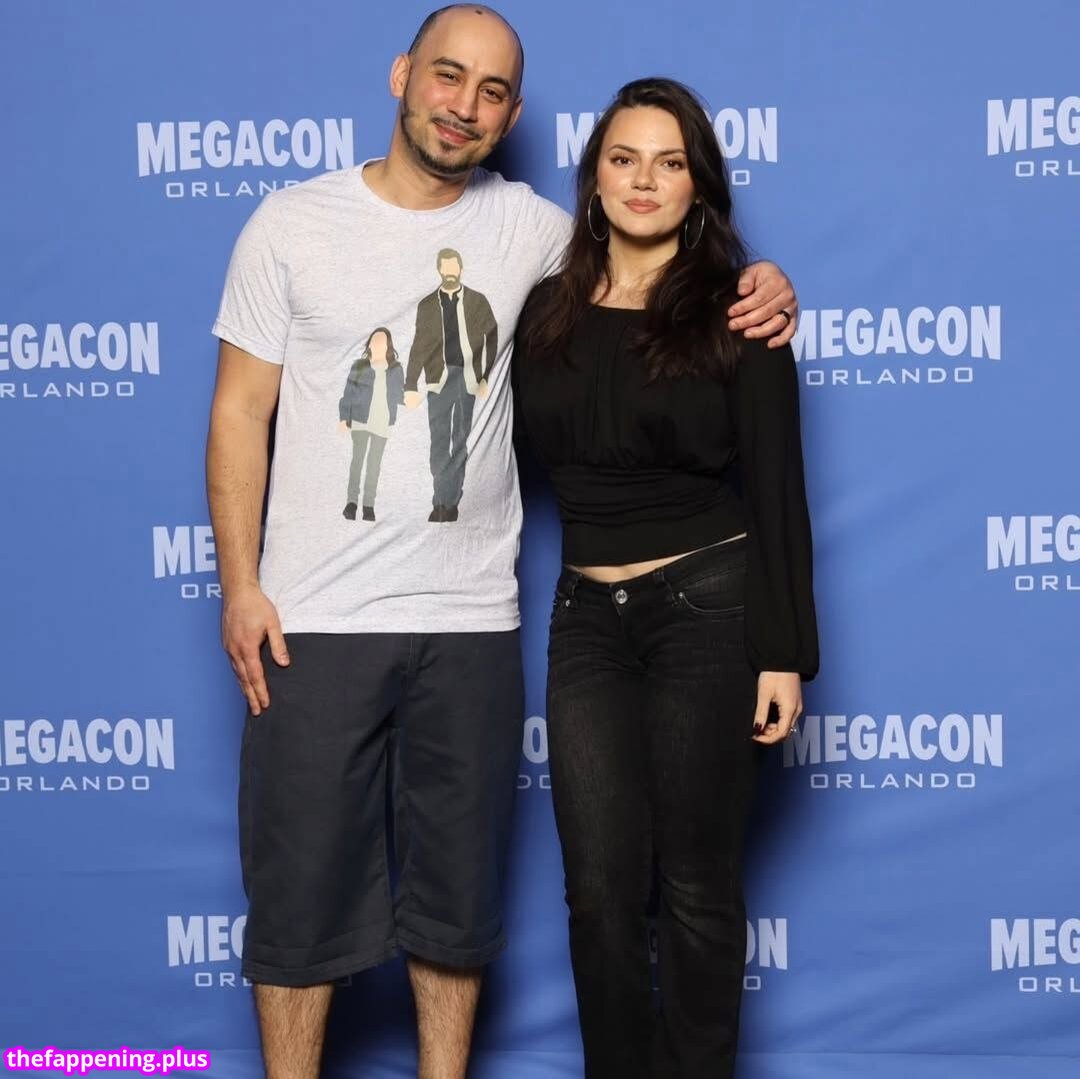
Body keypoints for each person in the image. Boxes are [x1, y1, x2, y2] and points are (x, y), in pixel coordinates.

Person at [205, 5, 798, 1076]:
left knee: (474, 900)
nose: (463, 106)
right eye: (447, 76)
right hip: (336, 615)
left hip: (494, 619)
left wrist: (762, 281)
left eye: (491, 91)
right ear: (402, 74)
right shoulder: (305, 225)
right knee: (318, 896)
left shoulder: (541, 234)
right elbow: (241, 409)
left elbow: (679, 301)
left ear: (513, 115)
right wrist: (239, 583)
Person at [513, 77, 819, 1078]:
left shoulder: (741, 310)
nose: (645, 180)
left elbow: (777, 484)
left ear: (699, 186)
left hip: (709, 611)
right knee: (599, 893)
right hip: (584, 620)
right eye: (624, 158)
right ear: (594, 179)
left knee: (695, 884)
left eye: (670, 162)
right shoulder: (542, 312)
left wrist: (784, 652)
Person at [339, 326, 405, 521]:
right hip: (360, 420)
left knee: (374, 466)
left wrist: (410, 397)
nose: (377, 343)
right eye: (374, 340)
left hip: (382, 423)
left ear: (388, 345)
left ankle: (368, 506)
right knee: (357, 462)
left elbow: (399, 394)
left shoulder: (395, 369)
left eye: (381, 340)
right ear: (369, 344)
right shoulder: (359, 366)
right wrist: (344, 417)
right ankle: (351, 503)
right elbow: (348, 393)